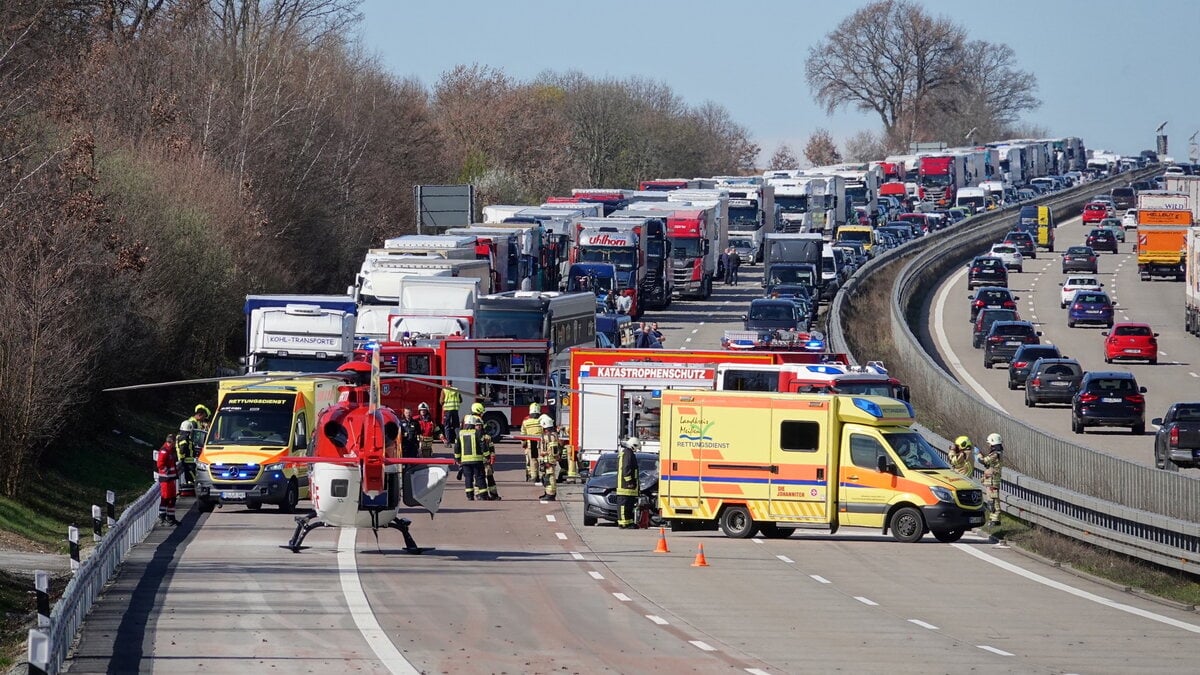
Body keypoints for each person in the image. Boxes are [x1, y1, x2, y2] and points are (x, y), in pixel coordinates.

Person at [455, 413, 492, 501]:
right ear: (473, 424)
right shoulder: (477, 432)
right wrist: (487, 456)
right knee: (479, 477)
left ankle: (469, 496)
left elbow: (457, 447)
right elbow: (483, 445)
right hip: (477, 460)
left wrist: (457, 458)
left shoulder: (460, 433)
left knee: (468, 478)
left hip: (465, 461)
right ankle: (483, 495)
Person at [177, 404, 210, 495]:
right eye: (204, 417)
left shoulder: (195, 422)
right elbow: (190, 441)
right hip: (189, 456)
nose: (204, 420)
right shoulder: (193, 423)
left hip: (191, 454)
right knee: (191, 473)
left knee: (191, 473)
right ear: (200, 414)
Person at [977, 433, 1004, 525]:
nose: (988, 445)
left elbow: (984, 461)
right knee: (991, 501)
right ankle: (993, 519)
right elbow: (988, 464)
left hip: (993, 481)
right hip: (990, 480)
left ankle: (996, 520)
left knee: (993, 501)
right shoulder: (995, 454)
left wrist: (979, 455)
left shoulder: (995, 454)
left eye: (989, 443)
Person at [616, 437, 641, 529]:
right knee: (623, 506)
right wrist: (629, 481)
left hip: (628, 487)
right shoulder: (628, 453)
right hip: (625, 486)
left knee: (628, 506)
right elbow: (626, 468)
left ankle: (629, 522)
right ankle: (623, 523)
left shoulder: (628, 453)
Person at [156, 434, 180, 526]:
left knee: (172, 498)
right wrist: (168, 472)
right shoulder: (164, 451)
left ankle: (171, 517)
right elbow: (160, 464)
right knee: (165, 498)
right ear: (172, 442)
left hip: (170, 479)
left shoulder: (169, 451)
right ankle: (162, 517)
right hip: (166, 479)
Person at [537, 416, 560, 501]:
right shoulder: (549, 435)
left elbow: (553, 450)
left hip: (548, 460)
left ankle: (551, 494)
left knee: (550, 477)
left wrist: (548, 457)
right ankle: (547, 493)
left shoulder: (550, 436)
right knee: (545, 477)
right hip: (546, 459)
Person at [520, 403, 544, 483]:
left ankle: (534, 476)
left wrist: (524, 444)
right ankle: (542, 476)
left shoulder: (526, 422)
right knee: (541, 460)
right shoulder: (542, 421)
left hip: (531, 443)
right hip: (541, 444)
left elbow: (523, 434)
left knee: (533, 460)